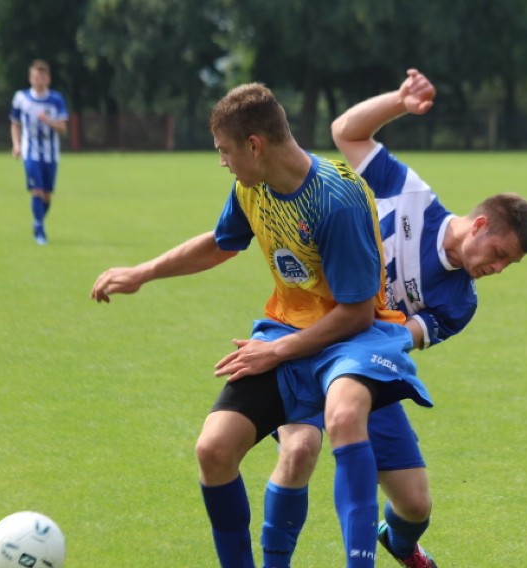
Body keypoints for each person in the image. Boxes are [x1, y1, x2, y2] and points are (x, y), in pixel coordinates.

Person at [89, 82, 432, 568]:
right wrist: (144, 272)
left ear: (255, 145)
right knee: (214, 448)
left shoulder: (337, 201)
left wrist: (274, 353)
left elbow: (355, 313)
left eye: (225, 151)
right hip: (287, 335)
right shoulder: (252, 189)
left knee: (396, 481)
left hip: (350, 346)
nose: (222, 162)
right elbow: (222, 242)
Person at [261, 69, 527, 567]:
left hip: (365, 363)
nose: (495, 269)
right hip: (307, 337)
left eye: (507, 265)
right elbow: (347, 132)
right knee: (299, 450)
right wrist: (399, 101)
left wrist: (367, 338)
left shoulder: (461, 302)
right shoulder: (412, 196)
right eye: (497, 253)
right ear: (478, 225)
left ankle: (400, 542)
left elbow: (400, 338)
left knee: (415, 505)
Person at [10, 59, 69, 245]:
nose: (39, 80)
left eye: (42, 77)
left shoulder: (56, 99)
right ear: (30, 78)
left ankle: (38, 223)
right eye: (36, 76)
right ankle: (40, 230)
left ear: (48, 79)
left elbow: (63, 128)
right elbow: (15, 124)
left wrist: (48, 121)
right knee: (37, 190)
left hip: (51, 153)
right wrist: (16, 145)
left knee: (47, 195)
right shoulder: (21, 98)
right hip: (30, 151)